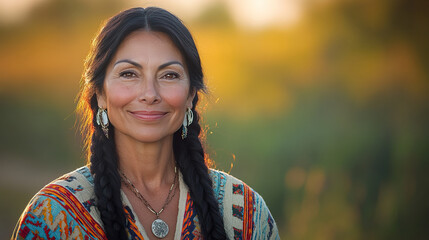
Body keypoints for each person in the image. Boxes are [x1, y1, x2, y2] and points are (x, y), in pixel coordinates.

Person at [12, 7, 279, 240]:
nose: (150, 94)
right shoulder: (52, 216)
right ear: (100, 94)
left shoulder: (245, 213)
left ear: (190, 96)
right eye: (129, 74)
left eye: (169, 75)